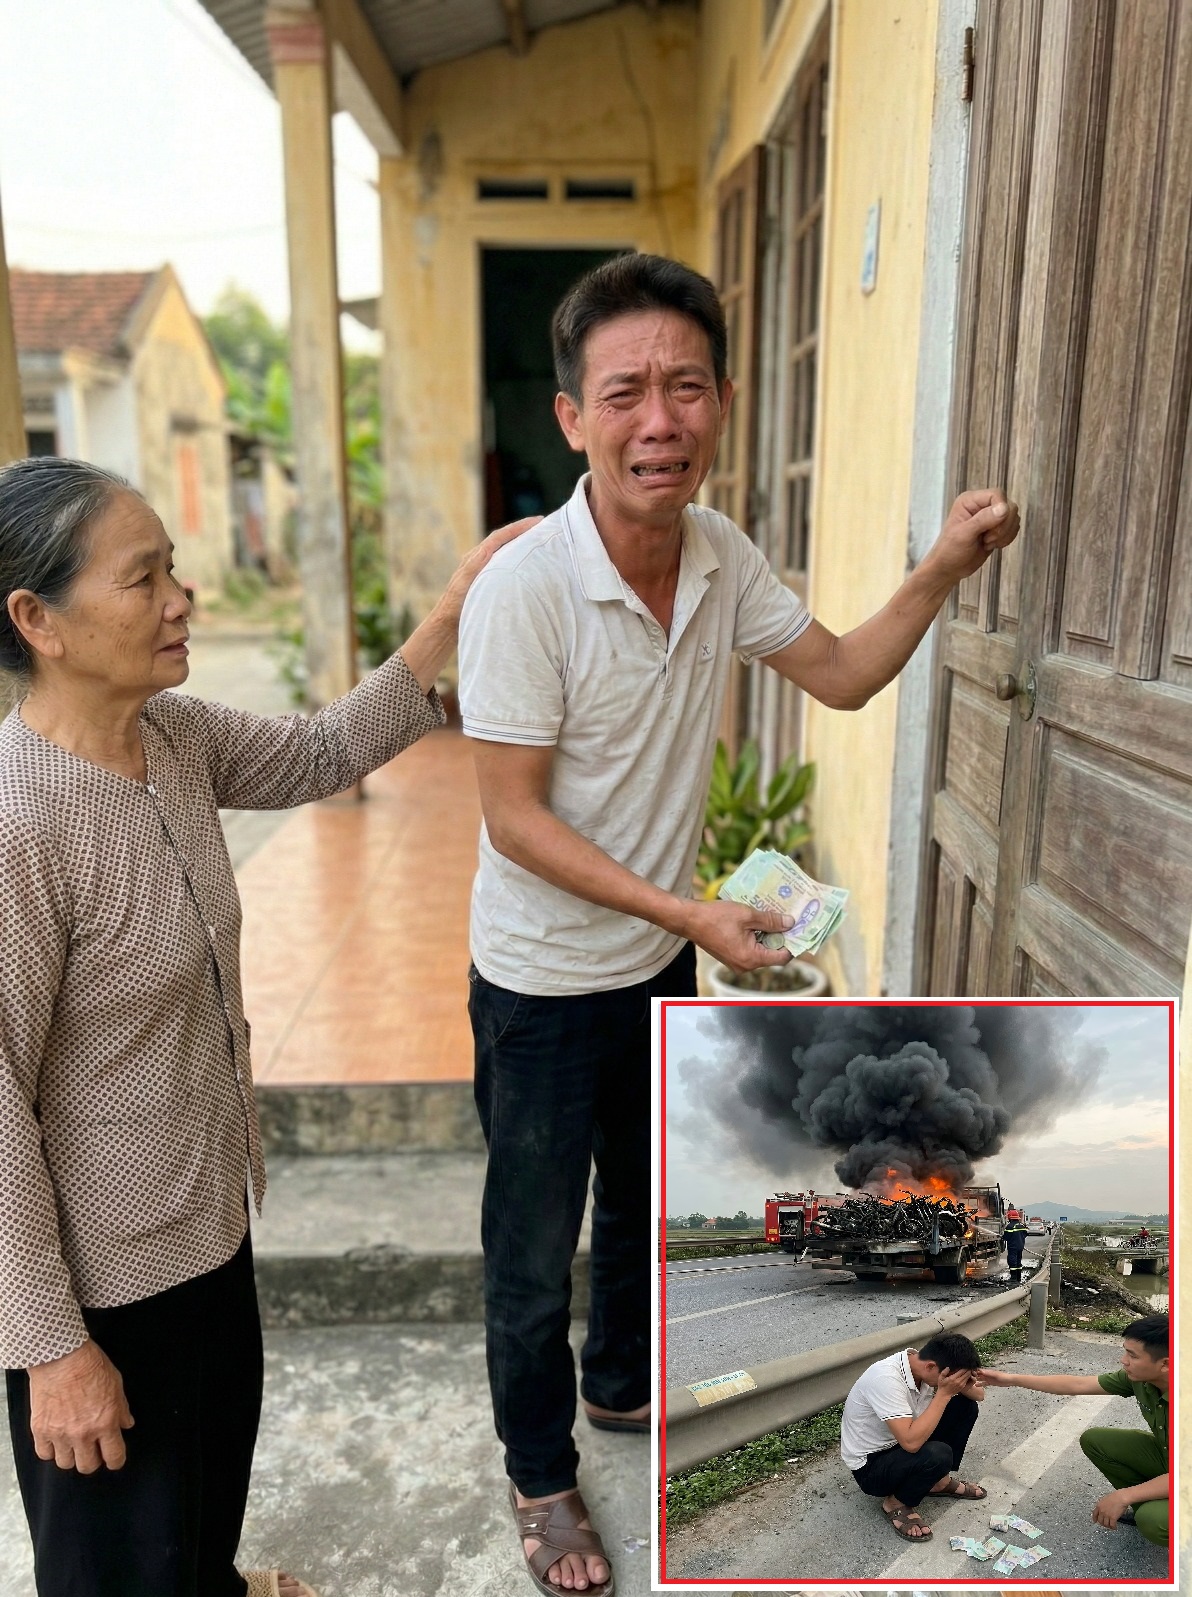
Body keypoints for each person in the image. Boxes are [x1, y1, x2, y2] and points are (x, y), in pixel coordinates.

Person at [457, 251, 1019, 1595]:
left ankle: (616, 1393)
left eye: (687, 387)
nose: (662, 418)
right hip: (536, 983)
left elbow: (837, 672)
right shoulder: (525, 589)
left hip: (650, 963)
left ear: (720, 405)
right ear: (572, 417)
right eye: (627, 392)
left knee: (639, 1208)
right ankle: (542, 1476)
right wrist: (690, 909)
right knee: (532, 1245)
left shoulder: (717, 555)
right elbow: (512, 820)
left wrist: (941, 565)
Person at [0, 456, 532, 1597]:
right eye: (145, 579)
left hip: (207, 1234)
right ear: (36, 619)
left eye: (175, 571)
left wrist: (447, 615)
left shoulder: (174, 739)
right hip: (101, 1291)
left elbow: (322, 751)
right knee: (114, 1566)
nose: (182, 599)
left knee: (196, 1525)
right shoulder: (19, 824)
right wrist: (49, 1346)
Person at [978, 1313, 1169, 1548]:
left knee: (1154, 1521)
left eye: (1132, 1355)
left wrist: (1125, 1495)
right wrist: (1011, 1378)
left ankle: (1159, 1515)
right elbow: (1078, 1384)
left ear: (1166, 1364)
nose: (1123, 1361)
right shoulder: (1141, 1378)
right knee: (1097, 1441)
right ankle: (1150, 1504)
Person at [840, 1333, 988, 1543]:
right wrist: (944, 1393)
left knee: (966, 1407)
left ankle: (938, 1482)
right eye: (950, 1378)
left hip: (901, 1440)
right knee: (937, 1453)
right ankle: (896, 1503)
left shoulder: (924, 1364)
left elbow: (979, 1396)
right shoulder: (885, 1379)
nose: (951, 1383)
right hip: (872, 1467)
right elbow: (911, 1444)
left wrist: (962, 1383)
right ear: (930, 1367)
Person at [1004, 1206, 1028, 1279]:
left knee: (1012, 1261)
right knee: (1018, 1261)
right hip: (1020, 1246)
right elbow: (1025, 1234)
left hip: (1012, 1247)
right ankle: (1018, 1277)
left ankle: (1013, 1278)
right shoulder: (1022, 1225)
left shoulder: (1010, 1226)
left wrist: (1002, 1237)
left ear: (1010, 1217)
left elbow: (1006, 1237)